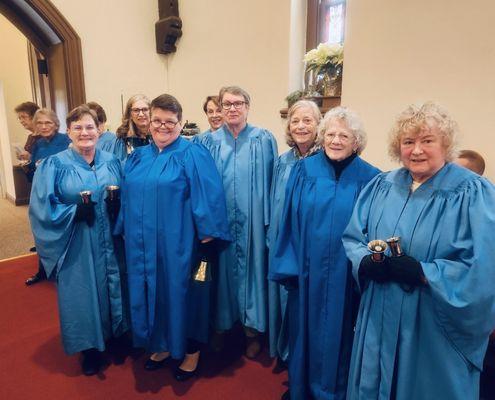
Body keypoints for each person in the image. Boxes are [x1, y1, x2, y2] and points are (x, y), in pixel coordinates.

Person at [342, 102, 495, 399]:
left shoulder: (473, 193)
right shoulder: (381, 185)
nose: (416, 150)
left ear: (445, 144)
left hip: (432, 321)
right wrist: (364, 261)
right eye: (408, 142)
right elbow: (353, 236)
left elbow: (484, 266)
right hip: (379, 313)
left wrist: (426, 272)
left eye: (427, 141)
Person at [270, 107, 380, 400]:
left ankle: (338, 392)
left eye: (344, 135)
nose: (335, 140)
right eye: (330, 134)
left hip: (348, 277)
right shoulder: (303, 171)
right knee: (304, 331)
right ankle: (301, 390)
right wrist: (288, 268)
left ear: (356, 141)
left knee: (342, 336)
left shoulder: (372, 179)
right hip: (306, 272)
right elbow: (289, 223)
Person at [120, 94, 231, 381]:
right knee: (153, 293)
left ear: (180, 123)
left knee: (185, 295)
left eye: (170, 122)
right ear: (148, 122)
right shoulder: (138, 157)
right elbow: (127, 198)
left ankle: (191, 353)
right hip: (143, 245)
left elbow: (209, 195)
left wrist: (206, 239)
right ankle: (163, 345)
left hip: (181, 245)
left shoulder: (192, 154)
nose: (163, 126)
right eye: (157, 120)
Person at [29, 105, 129, 376]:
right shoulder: (55, 164)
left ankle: (118, 336)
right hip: (77, 240)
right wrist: (73, 211)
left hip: (111, 237)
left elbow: (128, 194)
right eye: (78, 127)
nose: (85, 133)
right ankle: (90, 349)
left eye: (90, 127)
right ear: (69, 132)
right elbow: (41, 208)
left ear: (99, 130)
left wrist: (119, 206)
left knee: (116, 282)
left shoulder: (112, 161)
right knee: (83, 291)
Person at [193, 85, 278, 358]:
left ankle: (253, 331)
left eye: (238, 103)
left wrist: (268, 222)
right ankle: (221, 327)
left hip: (253, 222)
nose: (232, 108)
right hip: (221, 224)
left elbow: (273, 183)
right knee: (222, 275)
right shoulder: (207, 142)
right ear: (219, 108)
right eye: (226, 104)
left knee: (254, 272)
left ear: (247, 107)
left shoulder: (264, 139)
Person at [267, 100, 321, 373]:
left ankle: (302, 355)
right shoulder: (283, 161)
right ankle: (284, 348)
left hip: (308, 245)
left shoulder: (324, 161)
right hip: (281, 240)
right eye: (295, 121)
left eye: (308, 120)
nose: (300, 126)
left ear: (318, 125)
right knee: (282, 296)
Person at [25, 108, 71, 286]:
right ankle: (43, 270)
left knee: (61, 232)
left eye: (48, 122)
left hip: (59, 193)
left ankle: (63, 271)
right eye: (40, 123)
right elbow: (33, 173)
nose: (44, 126)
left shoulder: (66, 141)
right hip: (41, 193)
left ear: (56, 124)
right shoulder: (37, 144)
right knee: (41, 230)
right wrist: (29, 166)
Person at [115, 94, 151, 160]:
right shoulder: (123, 139)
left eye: (145, 109)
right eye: (136, 110)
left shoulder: (158, 136)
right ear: (130, 114)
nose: (141, 114)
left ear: (151, 112)